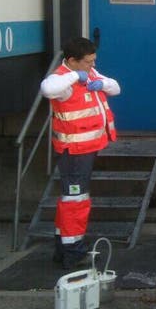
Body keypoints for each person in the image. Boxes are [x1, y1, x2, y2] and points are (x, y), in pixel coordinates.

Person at [40, 37, 120, 270]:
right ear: (73, 61)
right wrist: (76, 77)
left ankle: (63, 247)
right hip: (74, 152)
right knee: (75, 201)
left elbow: (116, 87)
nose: (92, 66)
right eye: (88, 62)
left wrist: (100, 83)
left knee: (70, 199)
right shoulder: (63, 79)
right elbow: (47, 88)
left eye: (94, 61)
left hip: (85, 149)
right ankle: (73, 251)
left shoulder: (89, 72)